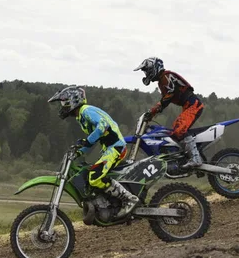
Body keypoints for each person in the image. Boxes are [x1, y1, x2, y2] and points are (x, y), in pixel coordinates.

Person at [48, 86, 139, 218]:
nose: (62, 106)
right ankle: (105, 204)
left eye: (64, 102)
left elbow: (102, 126)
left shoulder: (86, 111)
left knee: (95, 177)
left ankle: (129, 199)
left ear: (73, 100)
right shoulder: (81, 117)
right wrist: (79, 152)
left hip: (116, 147)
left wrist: (86, 141)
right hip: (109, 148)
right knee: (88, 173)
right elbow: (92, 139)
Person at [133, 57, 205, 168]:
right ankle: (183, 155)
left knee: (180, 128)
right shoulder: (162, 80)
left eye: (147, 70)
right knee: (175, 130)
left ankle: (196, 159)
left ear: (154, 68)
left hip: (193, 105)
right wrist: (152, 112)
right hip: (188, 106)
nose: (146, 73)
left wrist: (153, 111)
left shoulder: (166, 76)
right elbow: (165, 99)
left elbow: (168, 97)